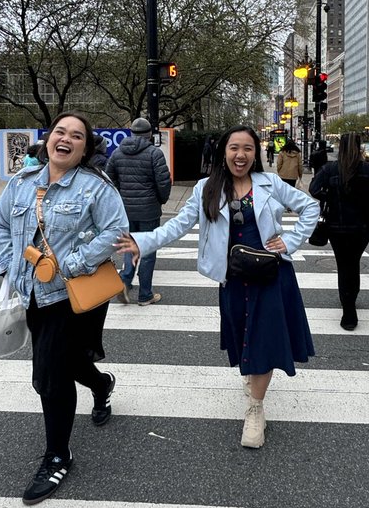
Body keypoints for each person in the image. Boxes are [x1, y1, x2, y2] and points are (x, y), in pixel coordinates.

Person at [116, 125, 318, 449]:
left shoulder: (270, 184)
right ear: (224, 152)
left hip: (271, 274)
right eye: (234, 148)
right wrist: (142, 242)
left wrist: (291, 241)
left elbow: (310, 207)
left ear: (256, 153)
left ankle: (255, 409)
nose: (241, 155)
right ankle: (251, 380)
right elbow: (177, 226)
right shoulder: (206, 189)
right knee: (242, 335)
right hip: (233, 276)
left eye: (248, 148)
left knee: (264, 339)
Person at [0, 112, 128, 505]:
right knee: (67, 363)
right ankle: (101, 384)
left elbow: (116, 232)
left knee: (48, 377)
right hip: (30, 293)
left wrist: (72, 263)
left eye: (77, 136)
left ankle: (58, 454)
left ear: (85, 148)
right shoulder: (21, 184)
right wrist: (6, 263)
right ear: (49, 138)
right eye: (60, 132)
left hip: (72, 296)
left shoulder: (95, 188)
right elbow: (0, 223)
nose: (66, 139)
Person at [309, 131, 369, 330]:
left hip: (336, 224)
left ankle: (348, 308)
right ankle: (350, 302)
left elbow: (314, 188)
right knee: (353, 263)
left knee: (343, 264)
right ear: (360, 147)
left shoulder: (331, 169)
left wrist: (327, 196)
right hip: (361, 226)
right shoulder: (368, 170)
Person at [106, 117, 172, 306]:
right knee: (148, 251)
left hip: (126, 210)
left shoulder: (117, 153)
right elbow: (163, 182)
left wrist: (120, 198)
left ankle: (125, 282)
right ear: (149, 134)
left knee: (129, 246)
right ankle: (145, 294)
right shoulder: (154, 153)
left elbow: (109, 180)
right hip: (149, 210)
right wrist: (161, 200)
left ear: (132, 133)